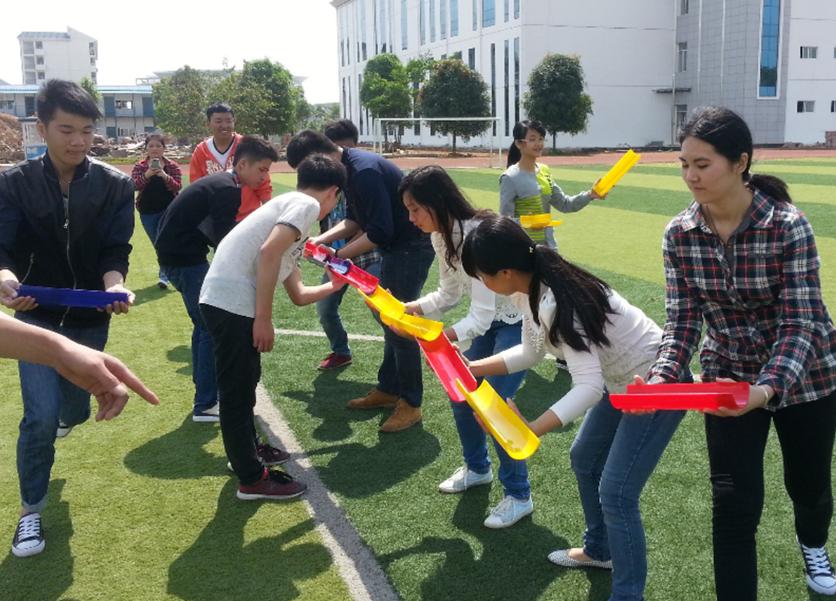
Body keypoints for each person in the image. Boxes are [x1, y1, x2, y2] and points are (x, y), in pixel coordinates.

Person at [645, 106, 836, 599]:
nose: (690, 176)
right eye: (683, 163)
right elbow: (683, 319)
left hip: (806, 376)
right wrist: (664, 376)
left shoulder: (788, 226)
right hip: (727, 378)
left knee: (809, 486)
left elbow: (802, 322)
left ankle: (813, 544)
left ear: (740, 162)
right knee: (732, 503)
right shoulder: (678, 234)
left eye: (702, 164)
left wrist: (767, 387)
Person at [462, 215, 686, 601]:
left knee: (617, 493)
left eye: (482, 275)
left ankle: (627, 595)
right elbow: (532, 352)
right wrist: (474, 367)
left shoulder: (555, 301)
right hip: (621, 383)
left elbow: (587, 387)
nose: (482, 284)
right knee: (585, 458)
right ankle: (600, 551)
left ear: (505, 271)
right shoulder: (528, 289)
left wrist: (530, 428)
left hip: (655, 384)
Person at [0, 79, 136, 558]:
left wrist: (114, 285)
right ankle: (30, 513)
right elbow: (3, 249)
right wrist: (6, 280)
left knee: (74, 409)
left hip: (88, 315)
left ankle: (67, 417)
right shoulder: (11, 183)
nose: (78, 141)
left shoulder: (115, 184)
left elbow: (114, 249)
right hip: (32, 317)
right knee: (38, 416)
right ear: (42, 127)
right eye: (66, 129)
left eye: (85, 130)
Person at [199, 154, 348, 500]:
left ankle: (248, 453)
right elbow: (268, 254)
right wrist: (263, 319)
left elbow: (297, 294)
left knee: (245, 384)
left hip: (228, 303)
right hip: (231, 304)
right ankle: (251, 478)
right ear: (333, 193)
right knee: (237, 393)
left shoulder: (291, 212)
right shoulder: (305, 205)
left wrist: (334, 287)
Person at [398, 166, 533, 528]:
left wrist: (437, 337)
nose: (411, 219)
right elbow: (449, 292)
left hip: (518, 322)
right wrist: (412, 309)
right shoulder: (440, 236)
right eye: (408, 210)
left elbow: (482, 318)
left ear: (436, 203)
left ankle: (519, 495)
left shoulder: (477, 237)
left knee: (493, 407)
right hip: (488, 321)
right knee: (461, 396)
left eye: (415, 209)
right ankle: (477, 469)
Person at [286, 130, 434, 433]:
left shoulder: (363, 171)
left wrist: (337, 255)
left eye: (308, 170)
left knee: (398, 324)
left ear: (320, 156)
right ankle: (389, 389)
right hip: (395, 248)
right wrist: (321, 240)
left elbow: (380, 230)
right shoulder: (348, 170)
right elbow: (355, 220)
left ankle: (411, 403)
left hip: (410, 248)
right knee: (387, 320)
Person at [156, 136, 278, 423]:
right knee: (211, 328)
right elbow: (227, 241)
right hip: (183, 260)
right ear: (243, 164)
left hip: (179, 257)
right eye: (261, 170)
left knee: (203, 327)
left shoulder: (225, 183)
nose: (265, 177)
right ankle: (206, 403)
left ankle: (205, 397)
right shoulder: (228, 189)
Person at [0, 312, 159, 421]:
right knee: (41, 418)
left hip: (88, 319)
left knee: (71, 412)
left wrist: (62, 352)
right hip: (34, 313)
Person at [314, 119, 381, 370]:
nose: (338, 161)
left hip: (368, 256)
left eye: (344, 150)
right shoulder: (326, 180)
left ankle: (396, 356)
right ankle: (340, 350)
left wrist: (343, 249)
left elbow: (373, 223)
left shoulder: (364, 174)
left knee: (380, 311)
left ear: (354, 147)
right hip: (335, 258)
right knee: (325, 309)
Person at [500, 119, 603, 249]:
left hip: (549, 248)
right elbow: (505, 222)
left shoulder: (544, 171)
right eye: (532, 139)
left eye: (541, 139)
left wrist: (590, 195)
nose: (538, 144)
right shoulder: (510, 177)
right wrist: (526, 222)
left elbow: (565, 204)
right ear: (519, 143)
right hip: (524, 249)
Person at [189, 102, 273, 221]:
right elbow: (197, 187)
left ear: (234, 121)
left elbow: (263, 182)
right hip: (216, 219)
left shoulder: (246, 145)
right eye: (218, 121)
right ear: (208, 123)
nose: (224, 125)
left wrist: (269, 214)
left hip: (248, 217)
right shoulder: (201, 151)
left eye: (228, 121)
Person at [131, 133, 181, 289]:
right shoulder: (140, 166)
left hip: (169, 210)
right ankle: (169, 272)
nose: (154, 149)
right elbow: (134, 185)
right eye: (151, 146)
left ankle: (165, 276)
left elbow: (177, 186)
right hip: (147, 212)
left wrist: (164, 175)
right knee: (158, 243)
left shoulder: (172, 166)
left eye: (158, 146)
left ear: (164, 148)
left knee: (166, 242)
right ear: (146, 148)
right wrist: (148, 174)